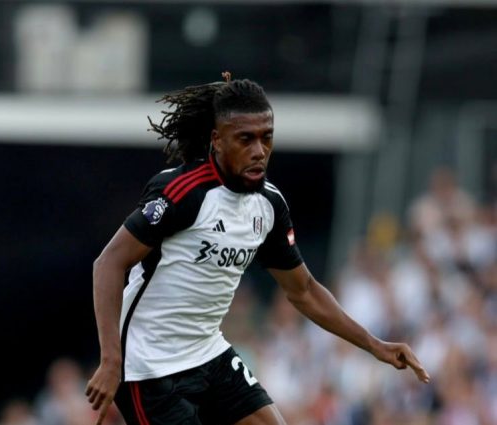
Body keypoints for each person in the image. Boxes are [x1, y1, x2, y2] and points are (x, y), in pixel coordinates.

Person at [85, 72, 430, 425]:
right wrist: (112, 361)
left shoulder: (268, 205)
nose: (259, 151)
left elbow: (305, 291)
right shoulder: (183, 194)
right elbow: (108, 264)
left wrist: (375, 345)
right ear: (217, 141)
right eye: (245, 139)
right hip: (148, 367)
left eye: (267, 138)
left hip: (207, 353)